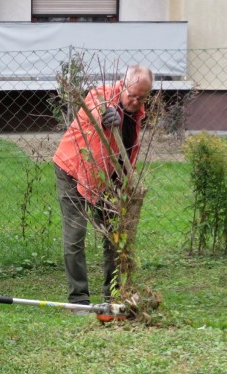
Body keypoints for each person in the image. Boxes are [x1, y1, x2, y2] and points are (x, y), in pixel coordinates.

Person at [52, 65, 153, 306]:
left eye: (143, 97)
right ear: (123, 84)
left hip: (112, 178)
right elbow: (96, 112)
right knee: (75, 236)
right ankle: (79, 299)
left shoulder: (138, 109)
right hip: (74, 171)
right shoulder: (101, 95)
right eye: (132, 95)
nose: (136, 102)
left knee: (115, 236)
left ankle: (113, 294)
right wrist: (109, 116)